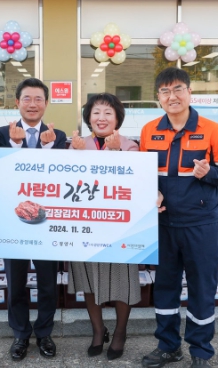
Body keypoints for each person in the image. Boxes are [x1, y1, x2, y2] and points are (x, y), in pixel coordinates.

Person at [139, 68, 218, 368]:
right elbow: (142, 175)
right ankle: (168, 346)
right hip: (163, 225)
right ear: (158, 97)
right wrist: (151, 193)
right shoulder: (149, 130)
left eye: (178, 89)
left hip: (200, 225)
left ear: (190, 92)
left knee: (202, 288)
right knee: (165, 287)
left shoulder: (212, 129)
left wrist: (209, 173)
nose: (173, 96)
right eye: (165, 91)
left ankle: (200, 351)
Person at [0, 78, 67, 362]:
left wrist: (47, 151)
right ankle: (20, 334)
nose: (33, 104)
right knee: (16, 282)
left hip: (47, 223)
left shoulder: (57, 135)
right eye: (27, 98)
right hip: (13, 220)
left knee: (48, 283)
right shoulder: (1, 134)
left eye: (38, 99)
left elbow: (60, 177)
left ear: (46, 103)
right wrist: (15, 145)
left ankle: (45, 333)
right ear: (17, 102)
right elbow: (0, 171)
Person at [67, 93, 140, 361]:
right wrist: (73, 155)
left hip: (120, 229)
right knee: (89, 281)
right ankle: (98, 331)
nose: (102, 118)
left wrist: (117, 151)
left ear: (118, 118)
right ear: (88, 118)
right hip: (85, 228)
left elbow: (135, 183)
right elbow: (64, 184)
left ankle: (120, 332)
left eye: (108, 113)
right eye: (96, 112)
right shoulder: (78, 145)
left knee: (122, 282)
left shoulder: (130, 146)